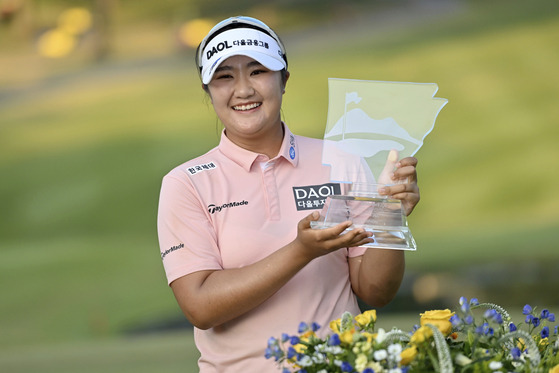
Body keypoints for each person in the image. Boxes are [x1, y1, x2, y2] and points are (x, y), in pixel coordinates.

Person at [157, 16, 420, 372]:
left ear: (284, 79)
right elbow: (200, 306)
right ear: (208, 91)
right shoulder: (186, 183)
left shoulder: (340, 161)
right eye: (224, 77)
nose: (244, 89)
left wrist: (390, 213)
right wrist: (300, 251)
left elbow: (375, 291)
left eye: (258, 71)